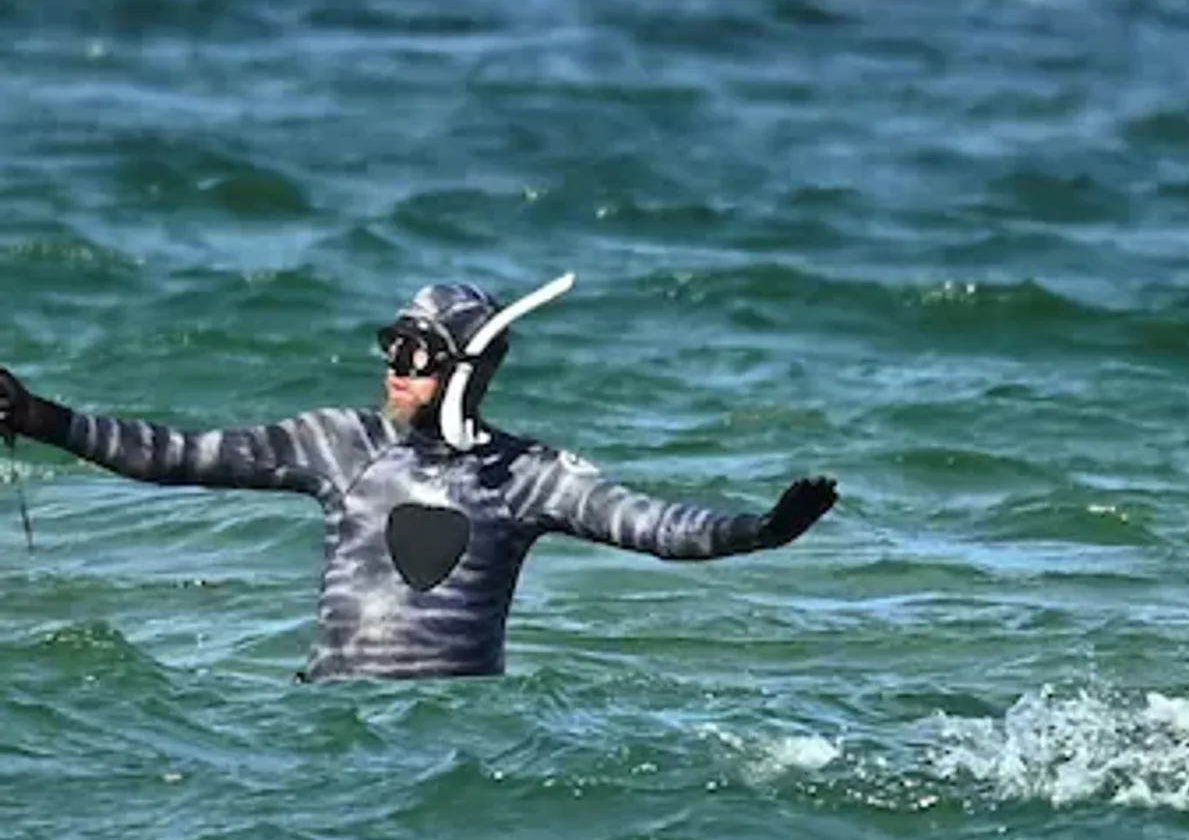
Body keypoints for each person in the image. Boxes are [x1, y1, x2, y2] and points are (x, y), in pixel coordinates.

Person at [0, 275, 838, 681]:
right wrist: (44, 418)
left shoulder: (526, 476)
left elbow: (653, 526)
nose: (394, 367)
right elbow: (176, 456)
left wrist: (758, 532)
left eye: (418, 353)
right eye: (390, 345)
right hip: (334, 723)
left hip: (452, 738)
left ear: (467, 371)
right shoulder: (338, 444)